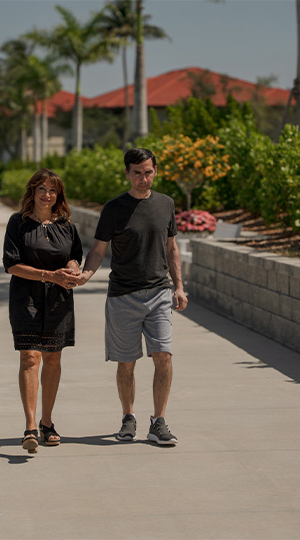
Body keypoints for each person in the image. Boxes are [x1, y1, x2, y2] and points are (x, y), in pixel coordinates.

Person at [76, 148, 188, 446]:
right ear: (127, 173)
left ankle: (159, 422)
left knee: (163, 356)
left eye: (148, 172)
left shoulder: (165, 204)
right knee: (126, 363)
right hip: (123, 296)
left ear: (155, 171)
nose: (143, 178)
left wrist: (179, 285)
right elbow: (99, 249)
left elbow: (172, 248)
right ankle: (128, 417)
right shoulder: (113, 208)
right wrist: (86, 274)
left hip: (159, 294)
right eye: (137, 172)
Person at [3, 169, 82, 453]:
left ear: (58, 195)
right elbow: (11, 264)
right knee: (29, 357)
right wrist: (51, 275)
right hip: (26, 299)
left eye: (53, 190)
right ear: (32, 192)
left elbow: (74, 256)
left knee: (53, 359)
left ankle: (47, 422)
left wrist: (72, 269)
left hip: (59, 301)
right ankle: (30, 427)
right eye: (42, 189)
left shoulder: (67, 227)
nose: (47, 195)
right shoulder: (18, 224)